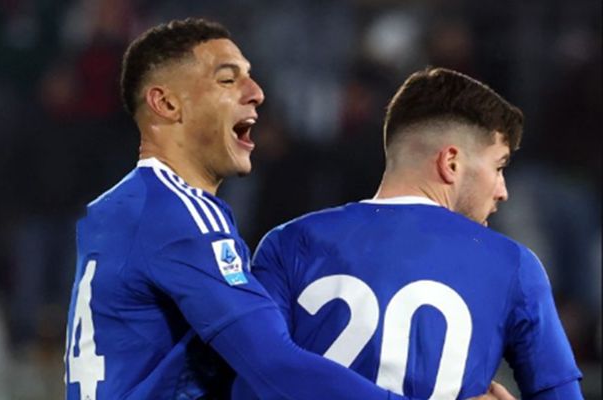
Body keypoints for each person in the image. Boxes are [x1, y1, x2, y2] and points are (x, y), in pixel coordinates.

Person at [66, 18, 506, 400]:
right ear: (166, 104)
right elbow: (274, 366)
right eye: (227, 80)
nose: (256, 92)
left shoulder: (123, 207)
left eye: (250, 77)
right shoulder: (180, 217)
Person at [234, 68, 583, 399]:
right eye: (499, 166)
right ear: (451, 163)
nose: (502, 191)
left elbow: (252, 382)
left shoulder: (289, 243)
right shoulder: (513, 265)